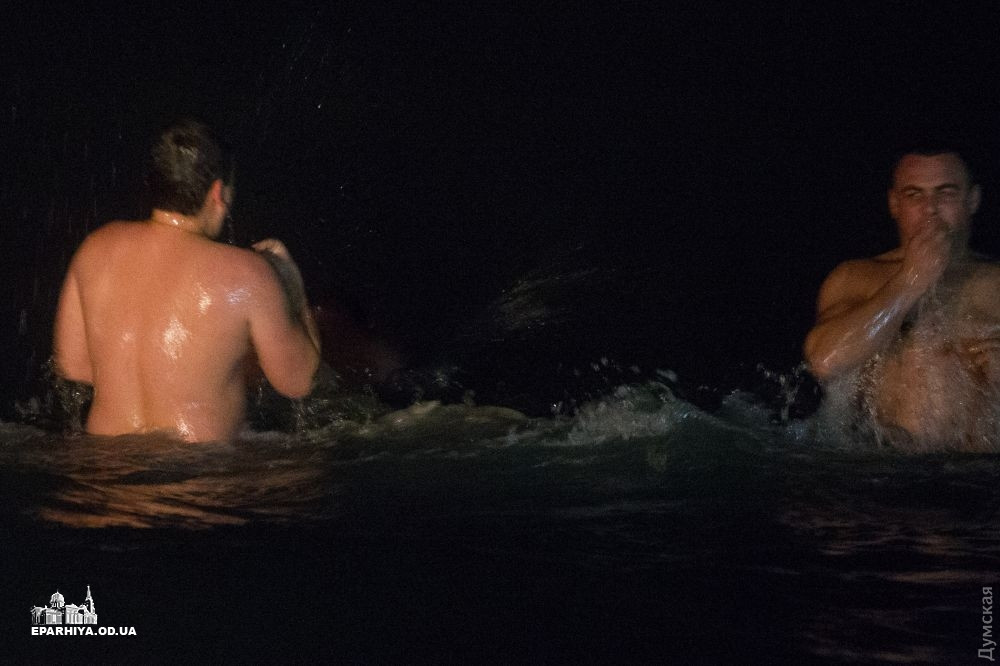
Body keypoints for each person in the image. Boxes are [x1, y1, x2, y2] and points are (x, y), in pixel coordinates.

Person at [53, 119, 321, 442]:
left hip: (103, 462)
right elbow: (299, 382)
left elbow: (74, 366)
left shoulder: (94, 249)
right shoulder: (248, 274)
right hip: (200, 468)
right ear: (218, 193)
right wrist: (292, 287)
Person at [803, 147, 1000, 451]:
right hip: (886, 466)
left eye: (946, 193)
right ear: (894, 203)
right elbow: (825, 361)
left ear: (972, 200)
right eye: (914, 195)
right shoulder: (855, 278)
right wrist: (911, 280)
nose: (930, 209)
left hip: (978, 470)